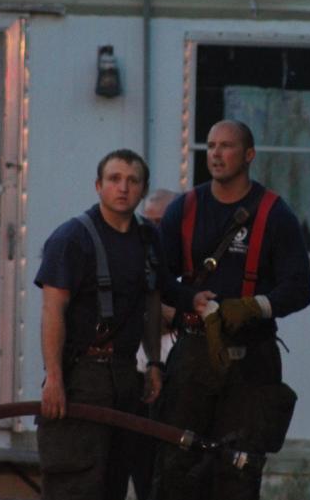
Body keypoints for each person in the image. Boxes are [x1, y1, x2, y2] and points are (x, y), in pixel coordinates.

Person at [154, 119, 310, 500]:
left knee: (238, 473)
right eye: (210, 146)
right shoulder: (185, 209)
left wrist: (256, 306)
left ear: (249, 155)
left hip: (252, 360)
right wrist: (187, 299)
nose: (216, 154)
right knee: (176, 468)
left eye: (226, 146)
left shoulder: (275, 214)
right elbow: (157, 276)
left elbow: (300, 288)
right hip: (194, 354)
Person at [35, 149, 168, 500]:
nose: (123, 188)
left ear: (143, 189)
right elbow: (52, 311)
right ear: (98, 186)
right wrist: (54, 378)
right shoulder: (71, 239)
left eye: (132, 180)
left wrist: (153, 361)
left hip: (126, 375)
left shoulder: (149, 239)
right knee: (75, 483)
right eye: (114, 179)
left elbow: (152, 301)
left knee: (114, 483)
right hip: (81, 376)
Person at [128, 189, 180, 500]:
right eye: (149, 221)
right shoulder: (136, 259)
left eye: (161, 222)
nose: (153, 229)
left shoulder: (188, 262)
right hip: (140, 379)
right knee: (143, 472)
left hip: (179, 382)